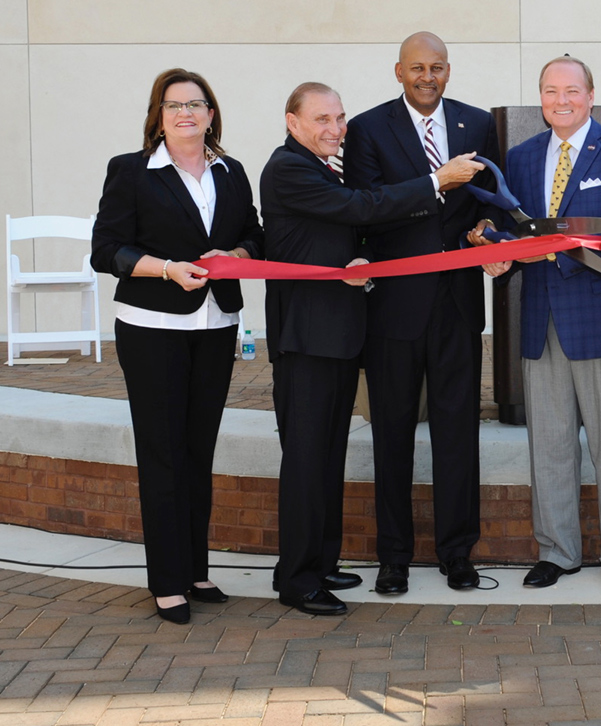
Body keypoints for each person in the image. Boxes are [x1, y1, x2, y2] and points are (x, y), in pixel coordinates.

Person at [261, 82, 482, 615]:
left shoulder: (320, 165)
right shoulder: (289, 167)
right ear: (292, 122)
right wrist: (435, 181)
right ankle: (296, 578)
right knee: (307, 462)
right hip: (307, 340)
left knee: (326, 458)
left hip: (340, 339)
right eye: (321, 120)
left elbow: (343, 231)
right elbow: (358, 206)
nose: (335, 129)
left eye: (339, 118)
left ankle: (319, 562)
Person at [92, 68, 264, 624]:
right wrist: (167, 269)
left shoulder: (232, 172)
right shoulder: (133, 171)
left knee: (198, 449)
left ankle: (195, 570)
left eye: (195, 104)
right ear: (158, 116)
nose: (185, 113)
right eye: (173, 106)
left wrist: (238, 254)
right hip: (151, 327)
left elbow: (255, 235)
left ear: (212, 113)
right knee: (163, 453)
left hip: (215, 325)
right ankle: (166, 581)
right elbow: (107, 251)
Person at [486, 56, 601, 593]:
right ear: (540, 97)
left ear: (590, 94)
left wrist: (553, 247)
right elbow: (513, 231)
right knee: (551, 444)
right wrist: (497, 254)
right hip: (542, 321)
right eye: (550, 91)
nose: (561, 100)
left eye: (571, 90)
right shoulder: (521, 156)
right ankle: (557, 551)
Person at [342, 31, 502, 595]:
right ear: (398, 71)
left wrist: (487, 235)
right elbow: (367, 208)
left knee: (459, 432)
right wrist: (435, 183)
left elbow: (491, 200)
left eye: (436, 67)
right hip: (395, 306)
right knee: (392, 433)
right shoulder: (365, 129)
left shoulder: (478, 124)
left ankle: (458, 553)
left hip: (457, 302)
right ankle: (393, 557)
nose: (427, 77)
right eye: (417, 68)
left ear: (449, 71)